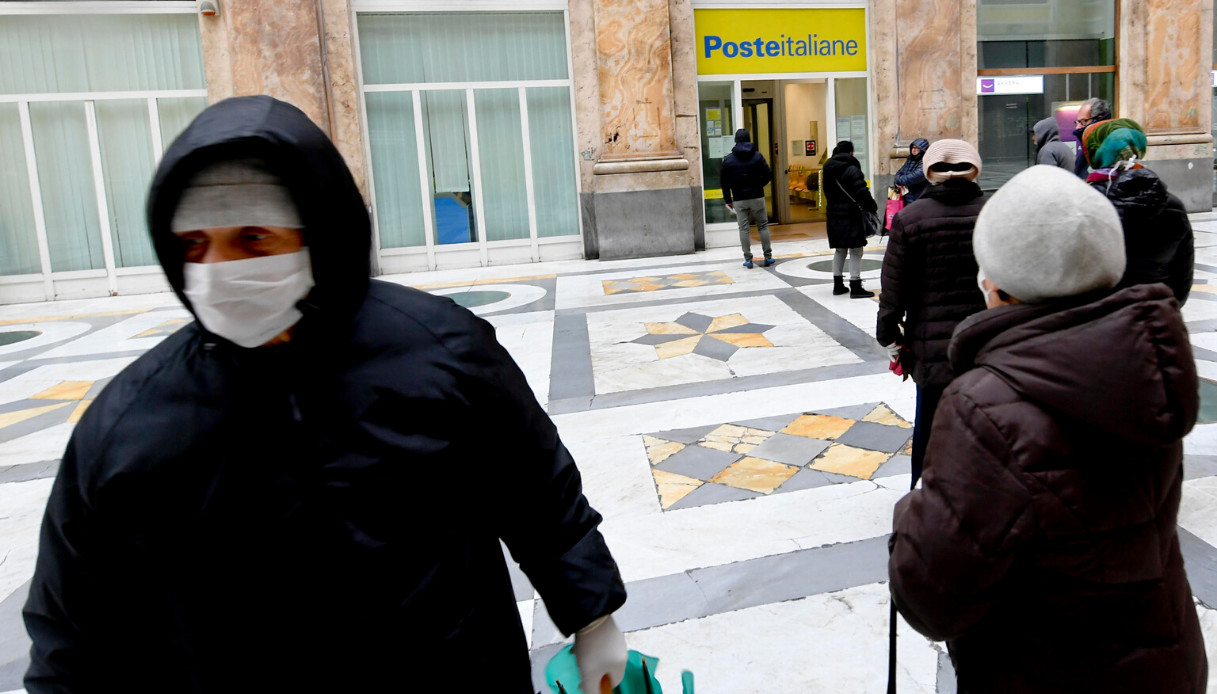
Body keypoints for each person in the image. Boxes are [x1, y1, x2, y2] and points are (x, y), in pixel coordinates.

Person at [22, 96, 629, 693]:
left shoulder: (439, 350)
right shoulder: (130, 423)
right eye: (195, 245)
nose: (219, 268)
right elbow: (72, 626)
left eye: (252, 238)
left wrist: (592, 615)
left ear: (316, 232)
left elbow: (534, 488)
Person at [889, 165, 1206, 694]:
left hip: (1045, 669)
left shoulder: (986, 405)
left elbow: (934, 598)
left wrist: (913, 513)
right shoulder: (1144, 361)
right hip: (1162, 658)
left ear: (998, 281)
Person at [875, 140, 988, 487]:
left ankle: (925, 496)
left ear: (929, 172)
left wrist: (888, 333)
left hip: (931, 344)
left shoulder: (910, 218)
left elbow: (893, 286)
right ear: (974, 169)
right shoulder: (994, 213)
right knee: (983, 424)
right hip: (986, 341)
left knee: (930, 423)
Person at [1082, 117, 1194, 305]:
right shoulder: (1171, 205)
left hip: (1099, 316)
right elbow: (1181, 279)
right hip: (1152, 313)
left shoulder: (1083, 204)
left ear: (1094, 152)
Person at [823, 140, 879, 298]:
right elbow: (862, 192)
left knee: (840, 249)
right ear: (850, 153)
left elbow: (827, 192)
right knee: (856, 249)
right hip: (851, 215)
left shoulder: (827, 168)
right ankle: (855, 286)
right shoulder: (852, 169)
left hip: (833, 214)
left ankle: (838, 285)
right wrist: (872, 207)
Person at [721, 128, 774, 268]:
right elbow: (768, 174)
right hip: (757, 196)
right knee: (762, 226)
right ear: (749, 139)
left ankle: (748, 259)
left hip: (739, 199)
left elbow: (724, 183)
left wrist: (728, 200)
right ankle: (768, 256)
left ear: (736, 141)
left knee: (744, 229)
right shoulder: (757, 156)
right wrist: (759, 185)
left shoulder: (728, 160)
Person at [1072, 97, 1111, 179]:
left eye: (1083, 121)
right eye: (1077, 122)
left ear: (1099, 120)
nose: (1077, 127)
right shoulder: (1083, 158)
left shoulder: (1111, 152)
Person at [893, 137, 930, 205]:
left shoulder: (925, 161)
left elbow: (916, 176)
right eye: (913, 147)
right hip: (906, 196)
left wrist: (899, 180)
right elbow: (900, 171)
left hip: (917, 197)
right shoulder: (910, 159)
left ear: (922, 150)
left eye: (917, 148)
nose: (914, 150)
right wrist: (897, 179)